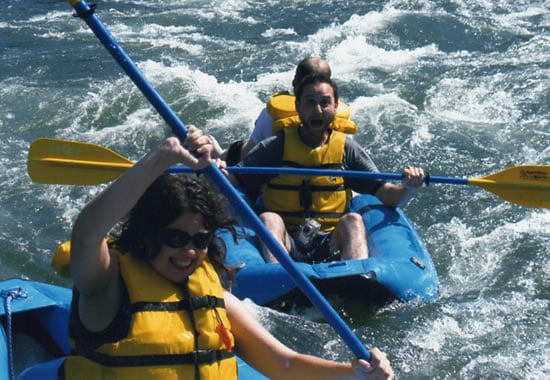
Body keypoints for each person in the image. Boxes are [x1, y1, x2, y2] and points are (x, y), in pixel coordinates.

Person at [63, 125, 394, 379]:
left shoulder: (212, 292)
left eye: (200, 239)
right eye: (176, 238)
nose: (190, 251)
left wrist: (356, 372)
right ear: (148, 233)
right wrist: (161, 157)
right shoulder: (108, 285)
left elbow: (285, 364)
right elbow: (87, 233)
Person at [221, 75, 425, 264]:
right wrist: (218, 170)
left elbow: (385, 193)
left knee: (353, 220)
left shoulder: (347, 149)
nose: (318, 110)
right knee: (269, 219)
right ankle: (280, 282)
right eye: (310, 102)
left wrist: (409, 187)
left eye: (325, 103)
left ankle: (354, 278)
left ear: (335, 107)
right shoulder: (274, 147)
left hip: (330, 241)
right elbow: (236, 181)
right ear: (298, 107)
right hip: (287, 239)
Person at [211, 56, 353, 165]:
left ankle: (220, 156)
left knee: (243, 147)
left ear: (294, 83)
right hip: (324, 190)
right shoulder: (339, 119)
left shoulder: (271, 114)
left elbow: (248, 154)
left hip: (279, 190)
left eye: (322, 102)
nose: (317, 110)